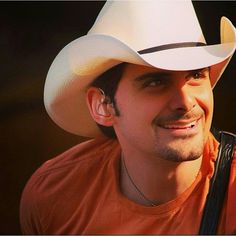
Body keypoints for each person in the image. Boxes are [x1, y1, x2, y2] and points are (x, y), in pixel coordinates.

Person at [20, 0, 236, 234]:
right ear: (102, 105)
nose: (186, 101)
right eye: (156, 82)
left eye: (196, 75)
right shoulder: (54, 194)